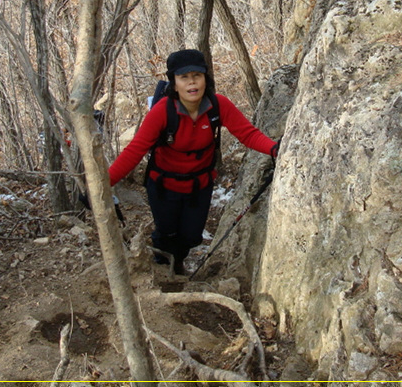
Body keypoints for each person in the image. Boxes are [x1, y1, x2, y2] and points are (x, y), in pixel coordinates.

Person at [108, 49, 279, 274]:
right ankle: (164, 270)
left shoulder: (218, 106)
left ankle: (177, 264)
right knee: (166, 233)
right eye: (184, 77)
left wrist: (275, 149)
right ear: (174, 83)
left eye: (197, 76)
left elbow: (247, 133)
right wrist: (102, 184)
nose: (192, 83)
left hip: (200, 186)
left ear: (205, 79)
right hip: (163, 187)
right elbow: (134, 151)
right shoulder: (162, 112)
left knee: (191, 236)